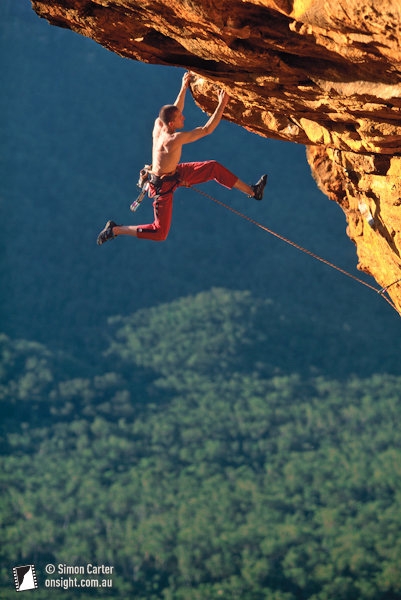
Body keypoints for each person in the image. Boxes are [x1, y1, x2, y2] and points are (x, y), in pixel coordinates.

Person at [97, 72, 267, 245]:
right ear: (171, 124)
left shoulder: (159, 124)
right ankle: (115, 229)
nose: (183, 117)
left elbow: (175, 109)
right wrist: (222, 103)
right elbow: (206, 130)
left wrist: (183, 87)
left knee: (213, 167)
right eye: (180, 118)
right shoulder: (172, 140)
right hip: (162, 186)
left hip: (174, 173)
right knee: (160, 232)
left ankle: (253, 192)